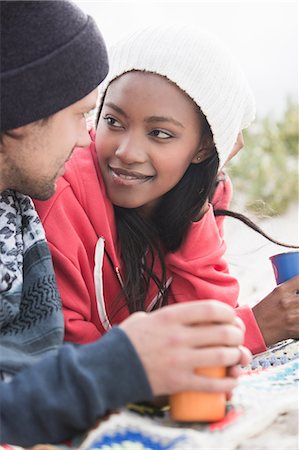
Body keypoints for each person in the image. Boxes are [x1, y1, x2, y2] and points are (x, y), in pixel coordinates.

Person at [0, 2, 251, 446]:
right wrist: (122, 366)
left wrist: (194, 197)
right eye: (96, 117)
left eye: (160, 133)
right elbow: (57, 356)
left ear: (201, 148)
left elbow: (202, 329)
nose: (93, 141)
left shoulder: (17, 215)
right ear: (24, 112)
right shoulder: (51, 197)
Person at [35, 24, 299, 355]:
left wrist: (193, 206)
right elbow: (66, 351)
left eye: (159, 133)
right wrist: (252, 329)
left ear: (203, 148)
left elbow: (202, 320)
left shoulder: (204, 196)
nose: (126, 152)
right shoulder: (59, 193)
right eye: (114, 122)